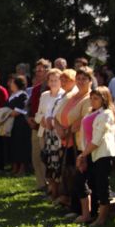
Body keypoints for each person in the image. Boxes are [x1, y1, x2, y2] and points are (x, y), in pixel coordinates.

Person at [74, 86, 115, 226]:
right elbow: (85, 136)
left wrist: (82, 155)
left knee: (101, 185)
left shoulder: (107, 114)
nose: (92, 101)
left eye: (96, 98)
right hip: (88, 153)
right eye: (91, 98)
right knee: (80, 180)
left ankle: (102, 218)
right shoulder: (90, 113)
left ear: (104, 99)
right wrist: (84, 154)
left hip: (102, 154)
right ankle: (87, 214)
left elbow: (97, 139)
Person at [54, 67, 93, 214]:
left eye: (84, 79)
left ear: (90, 80)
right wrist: (59, 128)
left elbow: (83, 120)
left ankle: (80, 209)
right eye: (79, 78)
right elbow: (57, 115)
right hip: (66, 141)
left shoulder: (89, 98)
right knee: (69, 174)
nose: (81, 81)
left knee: (79, 176)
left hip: (79, 142)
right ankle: (71, 203)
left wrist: (67, 130)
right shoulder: (72, 96)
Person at [35, 68, 65, 201]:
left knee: (57, 162)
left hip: (58, 134)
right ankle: (51, 190)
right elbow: (38, 113)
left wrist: (53, 122)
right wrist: (41, 120)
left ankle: (58, 192)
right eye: (51, 80)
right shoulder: (45, 95)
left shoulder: (64, 95)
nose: (53, 82)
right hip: (45, 132)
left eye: (56, 80)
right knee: (47, 161)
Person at [28, 58, 51, 191]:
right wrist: (29, 118)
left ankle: (50, 185)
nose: (38, 73)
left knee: (46, 157)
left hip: (48, 127)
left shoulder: (52, 87)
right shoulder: (36, 89)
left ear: (47, 71)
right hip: (35, 127)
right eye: (36, 71)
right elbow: (30, 106)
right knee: (36, 157)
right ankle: (41, 184)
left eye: (41, 70)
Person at [4, 75, 31, 175]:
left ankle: (22, 169)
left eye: (12, 82)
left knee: (21, 146)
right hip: (11, 125)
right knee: (13, 146)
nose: (10, 84)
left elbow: (20, 111)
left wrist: (5, 114)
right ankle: (14, 167)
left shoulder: (23, 95)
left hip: (21, 125)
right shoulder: (12, 95)